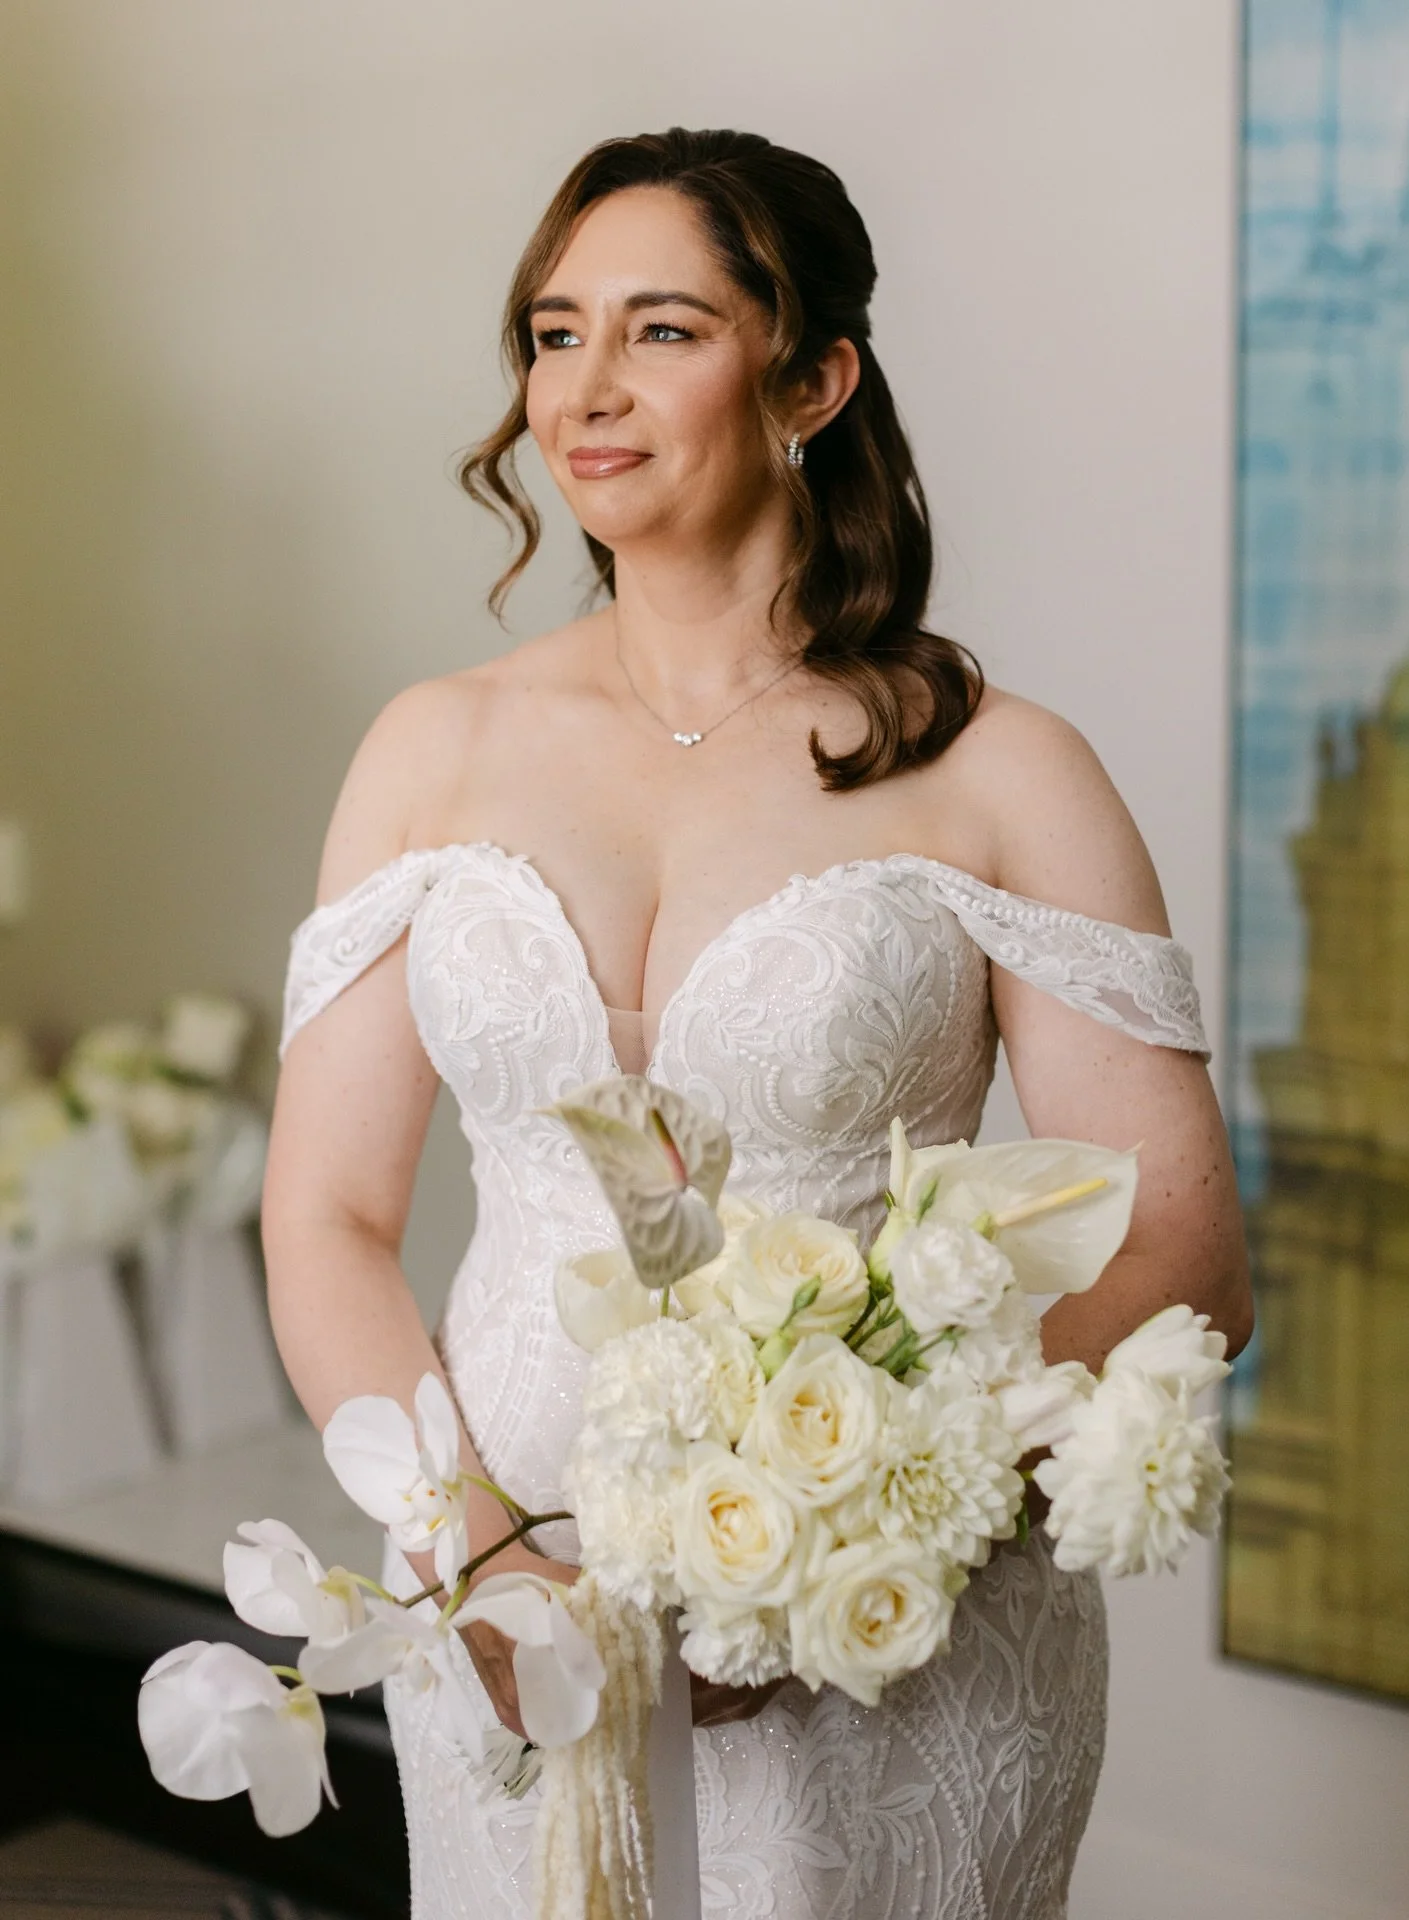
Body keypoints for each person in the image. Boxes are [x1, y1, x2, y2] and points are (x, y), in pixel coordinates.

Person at [261, 127, 1252, 1920]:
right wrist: (479, 1558)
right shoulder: (431, 748)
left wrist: (837, 1559)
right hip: (512, 1629)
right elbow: (327, 1215)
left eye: (662, 330)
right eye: (555, 335)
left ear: (812, 377)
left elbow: (1185, 1253)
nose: (587, 390)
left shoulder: (1006, 772)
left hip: (894, 1644)